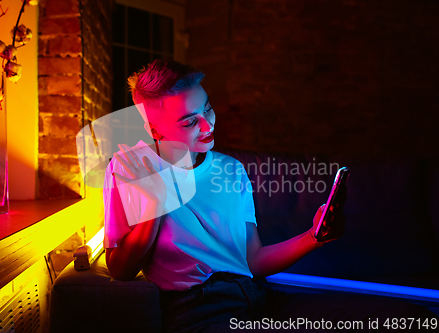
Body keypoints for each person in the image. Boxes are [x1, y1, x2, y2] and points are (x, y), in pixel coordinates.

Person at [103, 59, 437, 332]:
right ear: (155, 130)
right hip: (200, 311)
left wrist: (314, 237)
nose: (208, 126)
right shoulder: (132, 166)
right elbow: (120, 269)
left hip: (258, 298)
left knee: (404, 318)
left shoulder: (230, 169)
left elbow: (253, 260)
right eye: (190, 121)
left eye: (207, 109)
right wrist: (156, 204)